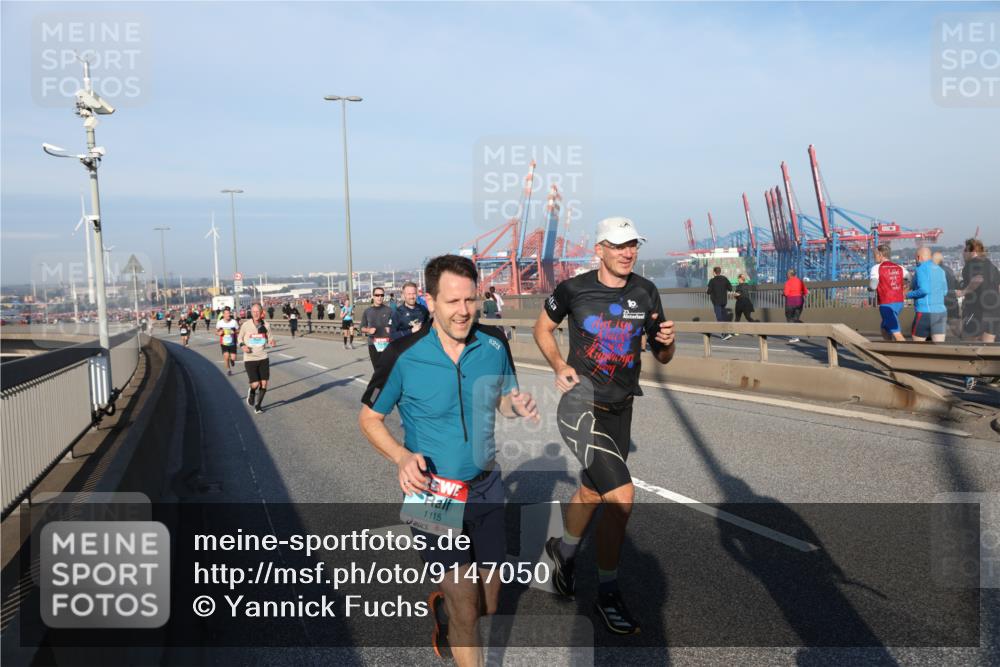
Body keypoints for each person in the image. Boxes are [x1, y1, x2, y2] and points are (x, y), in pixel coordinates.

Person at [359, 254, 538, 665]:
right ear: (430, 301)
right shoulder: (403, 354)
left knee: (490, 602)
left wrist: (517, 403)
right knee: (466, 606)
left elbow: (504, 401)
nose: (463, 311)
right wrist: (402, 457)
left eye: (470, 300)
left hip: (487, 484)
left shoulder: (494, 344)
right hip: (433, 491)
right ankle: (454, 615)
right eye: (453, 301)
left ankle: (444, 613)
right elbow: (369, 418)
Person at [533, 216, 676, 636]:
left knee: (593, 490)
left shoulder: (646, 291)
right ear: (599, 250)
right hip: (580, 405)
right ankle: (607, 593)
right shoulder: (573, 290)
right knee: (621, 495)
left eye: (632, 245)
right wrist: (559, 364)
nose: (627, 252)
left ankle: (564, 550)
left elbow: (663, 355)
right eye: (617, 246)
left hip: (621, 407)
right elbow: (543, 327)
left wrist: (667, 342)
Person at [957, 238, 1000, 390]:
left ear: (972, 251)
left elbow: (978, 278)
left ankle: (970, 376)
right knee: (988, 346)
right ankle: (995, 376)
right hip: (994, 310)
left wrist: (963, 291)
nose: (963, 253)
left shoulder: (970, 265)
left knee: (969, 344)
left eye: (965, 250)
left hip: (977, 310)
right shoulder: (991, 265)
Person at [238, 303, 275, 414]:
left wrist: (272, 342)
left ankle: (258, 406)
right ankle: (252, 391)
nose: (255, 313)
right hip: (250, 358)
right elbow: (239, 339)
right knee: (255, 384)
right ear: (251, 313)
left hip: (263, 357)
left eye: (257, 311)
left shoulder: (266, 325)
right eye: (253, 311)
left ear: (261, 312)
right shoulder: (246, 325)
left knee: (264, 384)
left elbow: (270, 339)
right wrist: (243, 346)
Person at [868, 243, 909, 342]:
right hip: (899, 302)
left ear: (880, 255)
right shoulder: (900, 267)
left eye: (875, 255)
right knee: (884, 328)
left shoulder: (876, 268)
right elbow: (909, 279)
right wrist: (904, 290)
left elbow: (873, 286)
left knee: (897, 333)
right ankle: (889, 349)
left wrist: (869, 288)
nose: (874, 257)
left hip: (886, 303)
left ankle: (909, 353)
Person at [907, 247, 948, 343]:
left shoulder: (920, 269)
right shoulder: (940, 270)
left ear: (918, 257)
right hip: (941, 313)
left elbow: (924, 290)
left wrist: (908, 295)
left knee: (918, 347)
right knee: (939, 347)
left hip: (924, 313)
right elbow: (945, 292)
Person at [360, 288, 394, 366]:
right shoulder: (367, 311)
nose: (379, 297)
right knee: (377, 370)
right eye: (377, 295)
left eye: (381, 295)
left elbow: (396, 325)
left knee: (387, 369)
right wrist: (368, 330)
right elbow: (361, 328)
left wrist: (391, 328)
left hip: (387, 343)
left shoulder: (389, 310)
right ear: (373, 296)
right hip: (373, 344)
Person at [933, 251, 961, 336]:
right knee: (955, 328)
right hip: (952, 301)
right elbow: (956, 284)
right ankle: (965, 342)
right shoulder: (949, 270)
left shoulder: (934, 271)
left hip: (940, 302)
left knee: (937, 329)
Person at [706, 266, 733, 340]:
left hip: (716, 301)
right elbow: (730, 288)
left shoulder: (712, 280)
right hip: (724, 301)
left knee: (719, 317)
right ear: (720, 272)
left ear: (714, 272)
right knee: (723, 316)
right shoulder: (724, 279)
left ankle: (725, 334)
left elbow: (708, 292)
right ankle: (727, 332)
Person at [783, 269, 808, 342]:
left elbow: (786, 293)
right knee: (796, 318)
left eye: (787, 274)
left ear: (789, 275)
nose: (786, 275)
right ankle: (801, 326)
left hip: (791, 301)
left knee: (789, 318)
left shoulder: (788, 282)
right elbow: (805, 292)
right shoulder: (800, 281)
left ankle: (795, 337)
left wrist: (783, 293)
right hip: (800, 301)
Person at [216, 306, 240, 375]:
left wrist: (234, 332)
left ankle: (232, 360)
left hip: (233, 343)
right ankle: (228, 370)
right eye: (226, 313)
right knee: (226, 356)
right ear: (223, 314)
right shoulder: (220, 323)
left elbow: (238, 330)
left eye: (229, 313)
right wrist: (219, 333)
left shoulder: (234, 322)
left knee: (233, 358)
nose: (228, 315)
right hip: (224, 343)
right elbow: (216, 331)